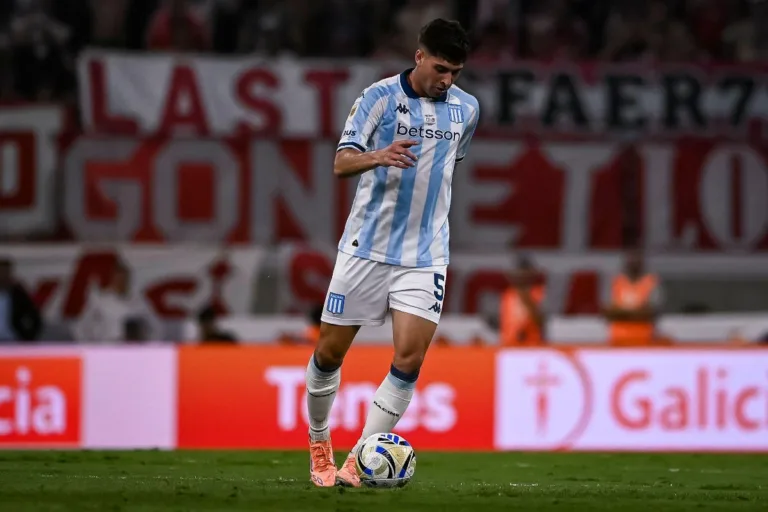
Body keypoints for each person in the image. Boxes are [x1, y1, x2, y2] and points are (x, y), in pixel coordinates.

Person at [304, 19, 478, 488]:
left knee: (409, 359)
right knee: (329, 353)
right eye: (440, 68)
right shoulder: (378, 98)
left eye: (456, 72)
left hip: (426, 254)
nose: (447, 80)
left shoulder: (467, 109)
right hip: (366, 248)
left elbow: (445, 169)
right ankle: (319, 442)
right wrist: (378, 155)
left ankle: (358, 460)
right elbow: (341, 162)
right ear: (419, 57)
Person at [603, 249, 662, 346]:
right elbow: (608, 312)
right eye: (631, 259)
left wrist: (622, 312)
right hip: (617, 338)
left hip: (645, 338)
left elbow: (652, 313)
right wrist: (638, 311)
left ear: (642, 262)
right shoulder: (616, 281)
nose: (634, 262)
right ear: (626, 261)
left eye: (637, 259)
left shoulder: (651, 282)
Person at [499, 255, 546, 346]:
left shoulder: (539, 292)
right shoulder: (508, 294)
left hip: (532, 345)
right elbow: (504, 324)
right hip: (508, 345)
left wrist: (525, 298)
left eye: (524, 272)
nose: (521, 276)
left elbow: (541, 321)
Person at [0, 258, 42, 342]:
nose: (3, 276)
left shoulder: (18, 294)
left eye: (5, 273)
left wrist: (28, 337)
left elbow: (35, 317)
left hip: (12, 340)